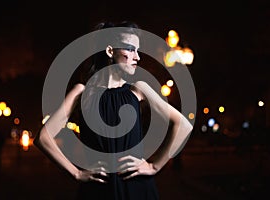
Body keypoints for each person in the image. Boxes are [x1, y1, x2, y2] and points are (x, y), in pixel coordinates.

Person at [34, 21, 193, 200]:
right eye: (131, 49)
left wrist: (154, 166)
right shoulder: (82, 92)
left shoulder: (138, 89)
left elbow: (183, 125)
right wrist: (76, 173)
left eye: (138, 51)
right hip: (98, 190)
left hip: (136, 188)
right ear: (110, 51)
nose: (137, 57)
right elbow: (43, 138)